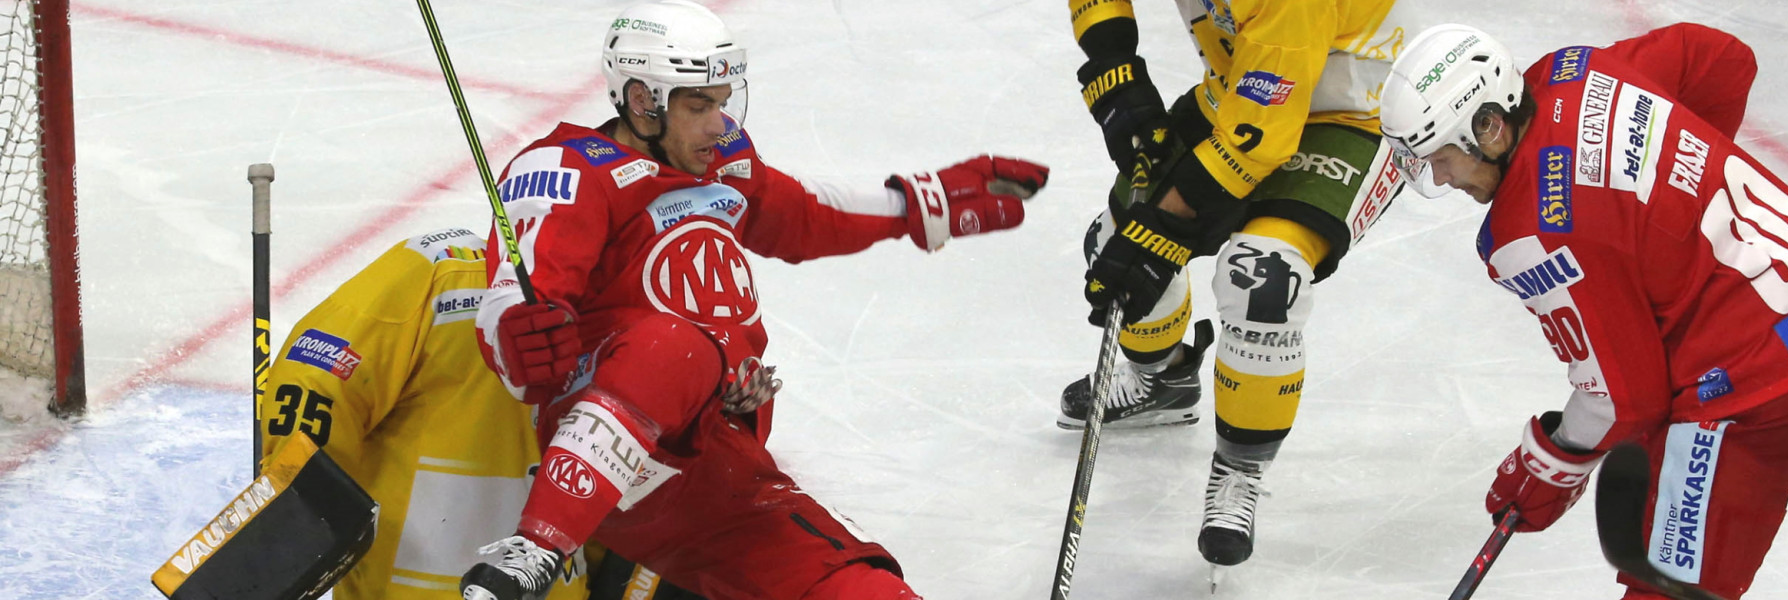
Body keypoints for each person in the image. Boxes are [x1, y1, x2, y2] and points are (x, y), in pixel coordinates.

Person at [456, 2, 1051, 600]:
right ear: (642, 100)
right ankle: (534, 550)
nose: (718, 124)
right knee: (675, 346)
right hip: (617, 460)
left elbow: (804, 215)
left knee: (855, 585)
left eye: (722, 102)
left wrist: (919, 203)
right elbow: (519, 297)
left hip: (716, 453)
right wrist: (518, 333)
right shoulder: (569, 169)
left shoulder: (724, 162)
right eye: (699, 106)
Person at [1378, 23, 1788, 599]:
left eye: (1442, 158)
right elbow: (1721, 60)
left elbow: (1623, 399)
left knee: (1666, 592)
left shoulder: (1531, 232)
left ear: (1489, 127)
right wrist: (1675, 205)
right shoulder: (1578, 71)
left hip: (1758, 392)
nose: (1441, 177)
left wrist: (1550, 464)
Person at [1065, 0, 1415, 572]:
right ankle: (1163, 377)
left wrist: (1159, 232)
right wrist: (1113, 64)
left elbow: (1257, 141)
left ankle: (1240, 467)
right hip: (1240, 90)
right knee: (1114, 242)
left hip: (1352, 114)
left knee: (1262, 275)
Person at [259, 228, 662, 599]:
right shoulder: (443, 272)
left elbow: (629, 492)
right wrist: (299, 513)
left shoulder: (640, 310)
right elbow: (318, 376)